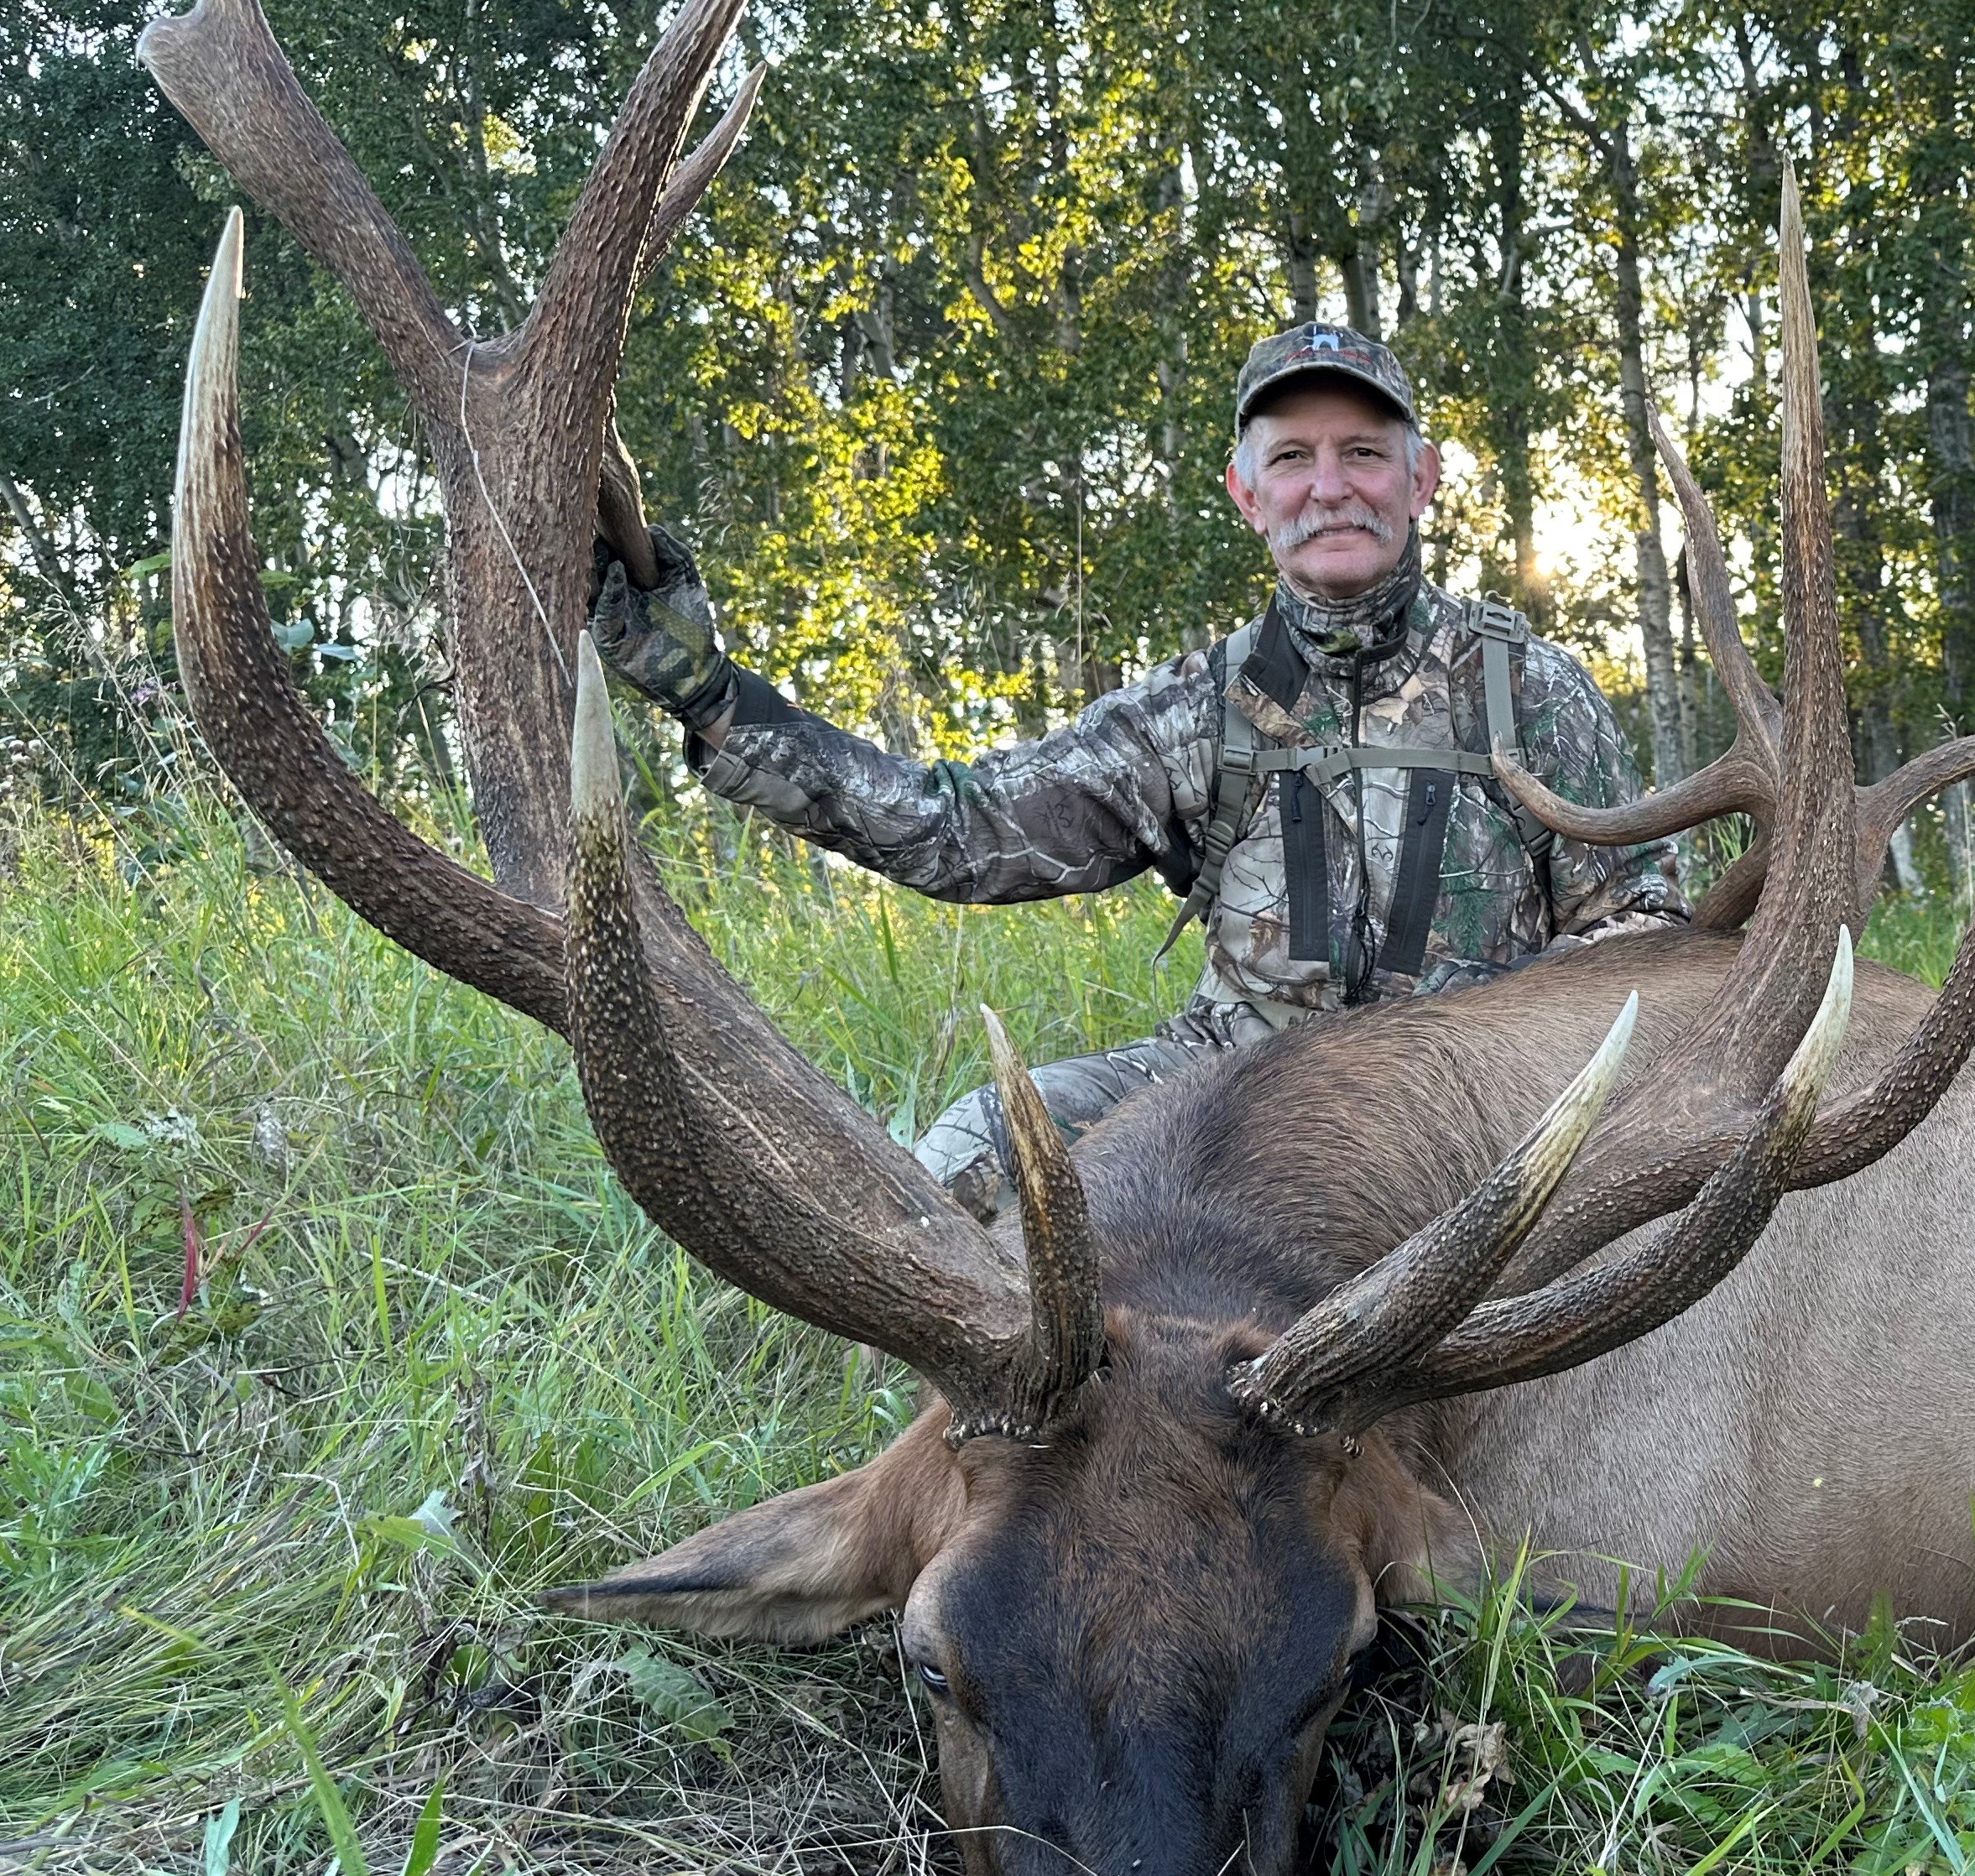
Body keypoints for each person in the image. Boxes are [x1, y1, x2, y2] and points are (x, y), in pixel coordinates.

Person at [588, 322, 1686, 1218]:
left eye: (1363, 452)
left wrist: (1508, 1077)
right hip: (1234, 1087)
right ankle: (972, 1463)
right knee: (960, 1165)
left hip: (1480, 1111)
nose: (1331, 487)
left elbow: (1643, 945)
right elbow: (958, 830)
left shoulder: (1526, 689)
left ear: (1422, 479)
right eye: (1292, 459)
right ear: (1246, 494)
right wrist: (710, 693)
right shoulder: (1201, 708)